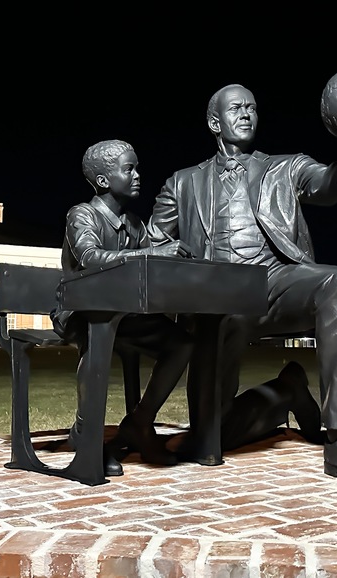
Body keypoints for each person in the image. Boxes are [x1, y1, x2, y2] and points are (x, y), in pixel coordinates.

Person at [148, 84, 337, 490]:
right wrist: (179, 259)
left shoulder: (286, 167)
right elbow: (153, 246)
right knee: (209, 440)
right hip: (216, 302)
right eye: (236, 108)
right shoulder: (180, 184)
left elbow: (328, 183)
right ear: (215, 122)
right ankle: (286, 390)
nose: (247, 113)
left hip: (276, 283)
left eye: (252, 107)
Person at [51, 139, 195, 477]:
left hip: (124, 315)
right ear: (103, 181)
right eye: (128, 169)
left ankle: (139, 423)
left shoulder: (135, 225)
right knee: (97, 333)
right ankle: (86, 433)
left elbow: (153, 264)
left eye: (137, 167)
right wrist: (153, 254)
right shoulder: (81, 215)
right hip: (80, 313)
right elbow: (90, 258)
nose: (137, 175)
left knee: (181, 343)